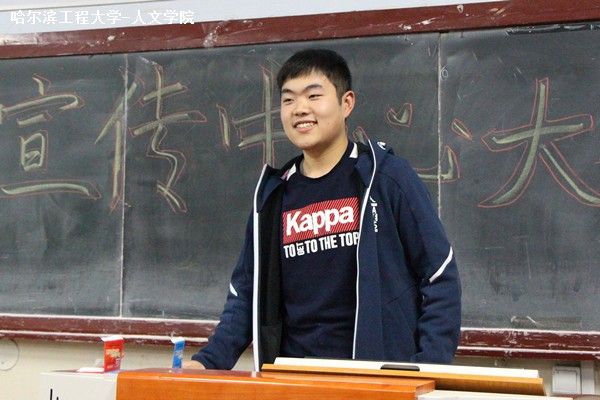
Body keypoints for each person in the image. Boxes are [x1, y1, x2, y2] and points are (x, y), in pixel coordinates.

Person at [184, 48, 461, 371]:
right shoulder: (273, 197)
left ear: (346, 103)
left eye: (313, 95)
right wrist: (207, 362)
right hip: (293, 379)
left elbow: (439, 275)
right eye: (288, 100)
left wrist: (427, 367)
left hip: (375, 380)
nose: (300, 109)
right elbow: (246, 294)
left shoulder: (385, 178)